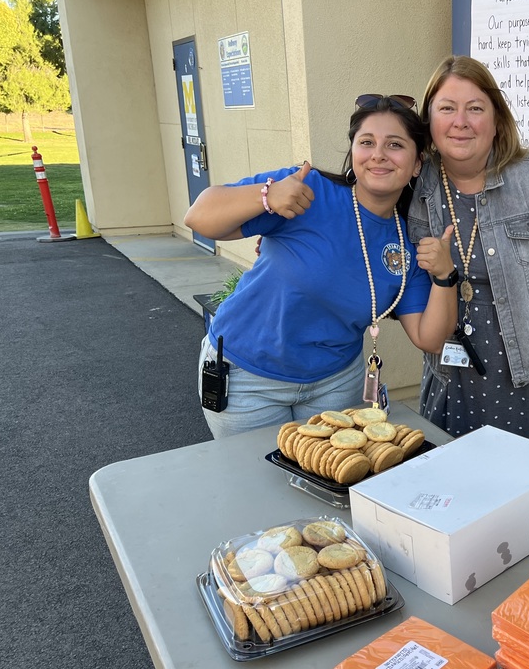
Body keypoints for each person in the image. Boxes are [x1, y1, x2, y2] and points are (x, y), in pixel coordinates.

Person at [185, 95, 458, 439]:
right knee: (257, 484)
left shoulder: (409, 239)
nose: (378, 154)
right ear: (353, 152)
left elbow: (429, 338)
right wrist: (266, 197)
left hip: (335, 384)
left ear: (417, 164)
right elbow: (199, 218)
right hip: (248, 378)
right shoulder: (307, 191)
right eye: (367, 142)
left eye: (395, 145)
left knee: (327, 481)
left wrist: (445, 276)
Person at [406, 56, 529, 449]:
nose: (460, 121)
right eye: (447, 108)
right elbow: (365, 195)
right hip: (452, 368)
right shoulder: (416, 183)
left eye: (475, 108)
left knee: (528, 492)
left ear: (496, 120)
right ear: (430, 121)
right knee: (453, 486)